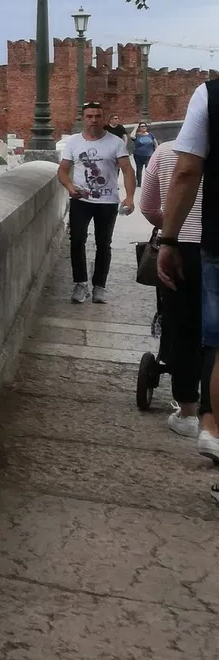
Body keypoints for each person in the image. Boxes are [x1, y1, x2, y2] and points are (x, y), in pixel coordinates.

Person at [154, 82, 219, 497]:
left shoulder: (210, 95)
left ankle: (207, 420)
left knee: (207, 339)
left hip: (212, 246)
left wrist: (169, 239)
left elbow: (187, 171)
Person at [140, 141, 204, 438]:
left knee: (181, 327)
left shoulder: (165, 152)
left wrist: (169, 231)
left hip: (181, 248)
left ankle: (188, 411)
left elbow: (148, 206)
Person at [57, 102, 136, 304]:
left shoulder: (115, 143)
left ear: (103, 118)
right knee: (77, 241)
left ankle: (99, 285)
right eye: (89, 116)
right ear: (83, 118)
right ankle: (80, 283)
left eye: (97, 116)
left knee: (104, 244)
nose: (93, 120)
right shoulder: (74, 143)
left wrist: (129, 197)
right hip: (81, 200)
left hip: (108, 201)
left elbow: (127, 170)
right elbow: (62, 170)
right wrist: (69, 186)